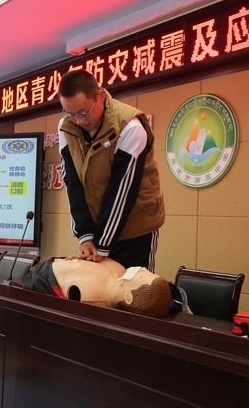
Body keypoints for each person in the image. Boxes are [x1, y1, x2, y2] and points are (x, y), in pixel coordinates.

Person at [58, 70, 165, 271]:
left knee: (135, 289)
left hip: (136, 230)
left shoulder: (130, 127)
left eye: (84, 113)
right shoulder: (66, 127)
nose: (79, 121)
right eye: (70, 114)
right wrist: (85, 236)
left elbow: (123, 190)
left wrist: (101, 245)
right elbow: (72, 181)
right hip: (98, 228)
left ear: (99, 96)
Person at [23, 257, 172, 319]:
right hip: (53, 266)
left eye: (142, 276)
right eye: (148, 272)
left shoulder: (91, 299)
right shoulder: (120, 273)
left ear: (128, 297)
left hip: (42, 279)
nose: (143, 269)